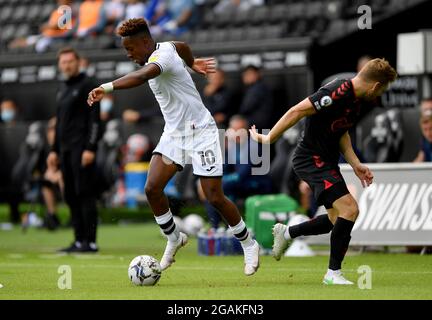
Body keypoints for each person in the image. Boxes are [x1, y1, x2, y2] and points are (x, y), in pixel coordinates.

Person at [87, 18, 260, 275]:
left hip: (202, 132)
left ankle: (248, 243)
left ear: (146, 42)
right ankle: (174, 238)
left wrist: (107, 87)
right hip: (175, 135)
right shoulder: (169, 48)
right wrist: (192, 63)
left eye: (131, 48)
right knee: (152, 188)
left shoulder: (161, 58)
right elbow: (182, 45)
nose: (128, 53)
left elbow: (143, 75)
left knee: (213, 197)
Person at [250, 58, 397, 284]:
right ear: (376, 86)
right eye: (381, 91)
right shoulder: (338, 90)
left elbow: (342, 133)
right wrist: (270, 138)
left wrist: (356, 164)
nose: (378, 96)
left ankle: (287, 233)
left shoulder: (355, 101)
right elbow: (297, 110)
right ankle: (333, 274)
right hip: (310, 159)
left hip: (327, 161)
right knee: (350, 209)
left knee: (334, 219)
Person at [47, 47, 101, 253]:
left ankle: (91, 242)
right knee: (70, 194)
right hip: (65, 151)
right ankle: (78, 240)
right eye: (63, 62)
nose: (67, 65)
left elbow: (94, 120)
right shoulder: (62, 88)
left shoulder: (88, 85)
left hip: (82, 149)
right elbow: (60, 122)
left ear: (79, 62)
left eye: (70, 61)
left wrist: (90, 148)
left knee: (85, 193)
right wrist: (53, 151)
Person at [198, 115, 272, 229]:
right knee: (210, 187)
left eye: (240, 130)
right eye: (234, 130)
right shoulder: (232, 146)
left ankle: (229, 228)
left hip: (256, 184)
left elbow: (241, 176)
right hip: (238, 184)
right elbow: (222, 168)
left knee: (216, 187)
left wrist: (217, 183)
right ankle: (216, 228)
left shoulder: (253, 146)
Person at [238, 65, 273, 130]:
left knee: (236, 124)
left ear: (257, 74)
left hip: (260, 124)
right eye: (245, 75)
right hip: (260, 124)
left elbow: (246, 107)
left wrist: (239, 114)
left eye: (249, 74)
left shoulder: (258, 88)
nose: (245, 77)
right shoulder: (253, 88)